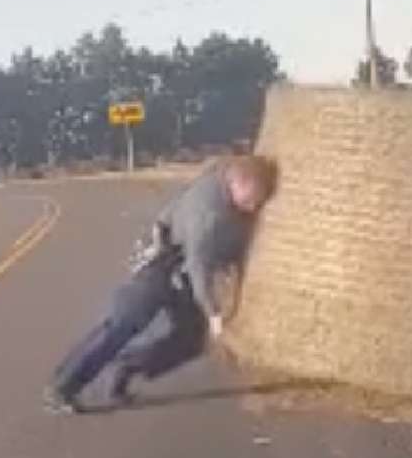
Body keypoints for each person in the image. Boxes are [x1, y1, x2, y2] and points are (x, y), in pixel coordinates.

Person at [44, 155, 276, 413]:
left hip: (182, 273)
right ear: (237, 183)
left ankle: (128, 366)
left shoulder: (225, 188)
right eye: (253, 197)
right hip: (159, 264)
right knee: (124, 324)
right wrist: (213, 313)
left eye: (262, 199)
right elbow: (200, 265)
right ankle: (62, 388)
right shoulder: (209, 214)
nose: (256, 205)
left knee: (190, 340)